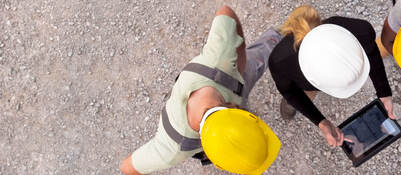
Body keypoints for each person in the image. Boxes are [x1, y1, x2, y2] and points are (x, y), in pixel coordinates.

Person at [119, 5, 283, 175]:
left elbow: (225, 12)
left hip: (232, 76)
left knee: (259, 57)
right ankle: (282, 37)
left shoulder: (221, 59)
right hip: (231, 81)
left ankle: (285, 35)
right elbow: (127, 167)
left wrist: (240, 65)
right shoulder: (172, 148)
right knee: (260, 59)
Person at [268, 5, 395, 148]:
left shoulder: (362, 32)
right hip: (301, 80)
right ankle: (297, 101)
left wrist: (384, 92)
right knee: (300, 94)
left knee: (300, 91)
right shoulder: (280, 61)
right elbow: (289, 91)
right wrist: (319, 121)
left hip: (304, 78)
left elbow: (371, 52)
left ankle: (301, 98)